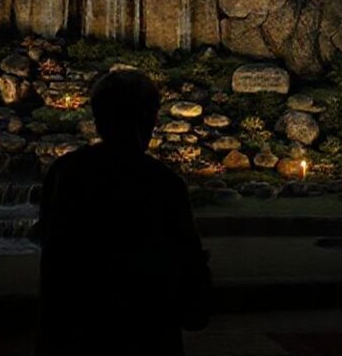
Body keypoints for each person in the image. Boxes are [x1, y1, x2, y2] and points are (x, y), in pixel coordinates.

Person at [34, 70, 210, 355]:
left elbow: (53, 256)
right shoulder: (163, 184)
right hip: (147, 335)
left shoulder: (65, 174)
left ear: (99, 119)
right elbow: (187, 270)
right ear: (149, 120)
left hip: (75, 333)